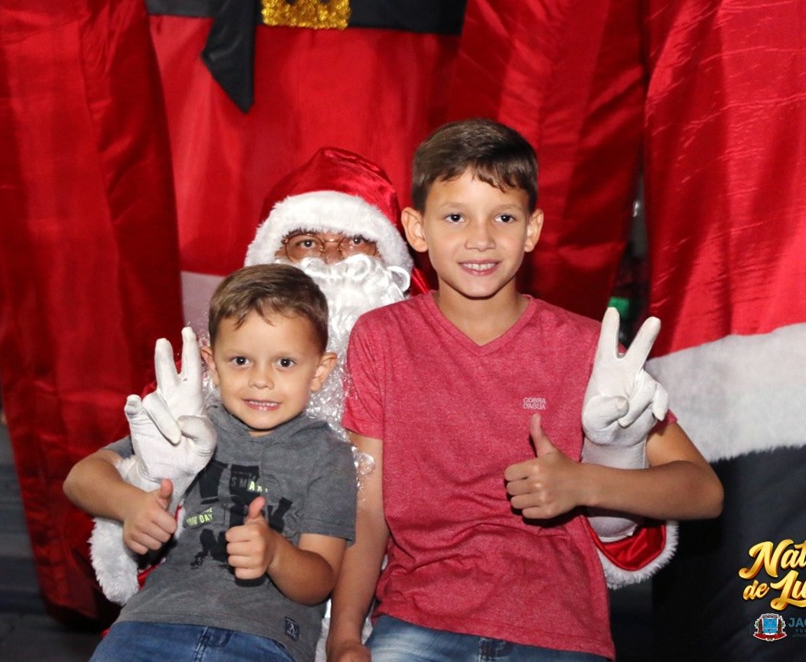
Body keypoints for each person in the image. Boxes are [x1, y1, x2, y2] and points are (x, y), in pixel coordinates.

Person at [326, 119, 724, 661]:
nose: (481, 238)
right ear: (417, 230)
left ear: (532, 229)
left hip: (558, 631)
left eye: (504, 217)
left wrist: (583, 482)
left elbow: (703, 491)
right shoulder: (381, 337)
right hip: (417, 620)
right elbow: (367, 505)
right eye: (456, 217)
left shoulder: (583, 346)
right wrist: (345, 637)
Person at [65, 264, 357, 661]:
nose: (261, 380)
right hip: (149, 624)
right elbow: (80, 478)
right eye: (240, 360)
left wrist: (275, 553)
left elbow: (321, 580)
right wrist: (130, 505)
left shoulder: (328, 456)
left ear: (320, 370)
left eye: (284, 363)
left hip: (264, 639)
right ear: (212, 364)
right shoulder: (188, 426)